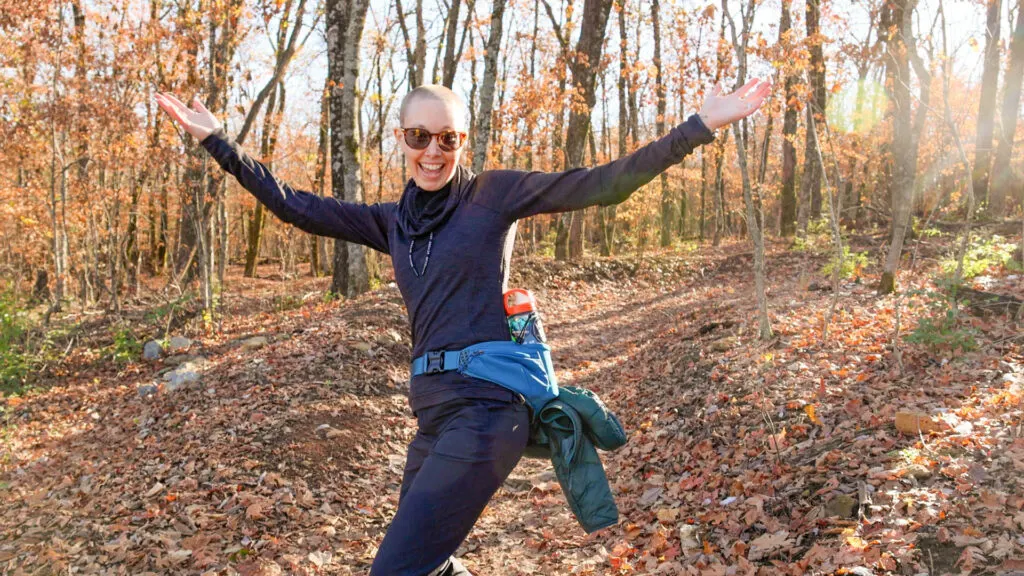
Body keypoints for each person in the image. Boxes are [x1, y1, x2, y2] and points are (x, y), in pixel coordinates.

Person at [156, 78, 770, 575]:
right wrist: (219, 144)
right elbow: (298, 205)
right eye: (420, 136)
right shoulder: (390, 221)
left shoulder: (494, 196)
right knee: (430, 565)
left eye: (447, 138)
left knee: (395, 570)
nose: (433, 151)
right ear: (400, 138)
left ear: (463, 141)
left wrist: (697, 127)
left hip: (487, 412)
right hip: (434, 416)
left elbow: (603, 185)